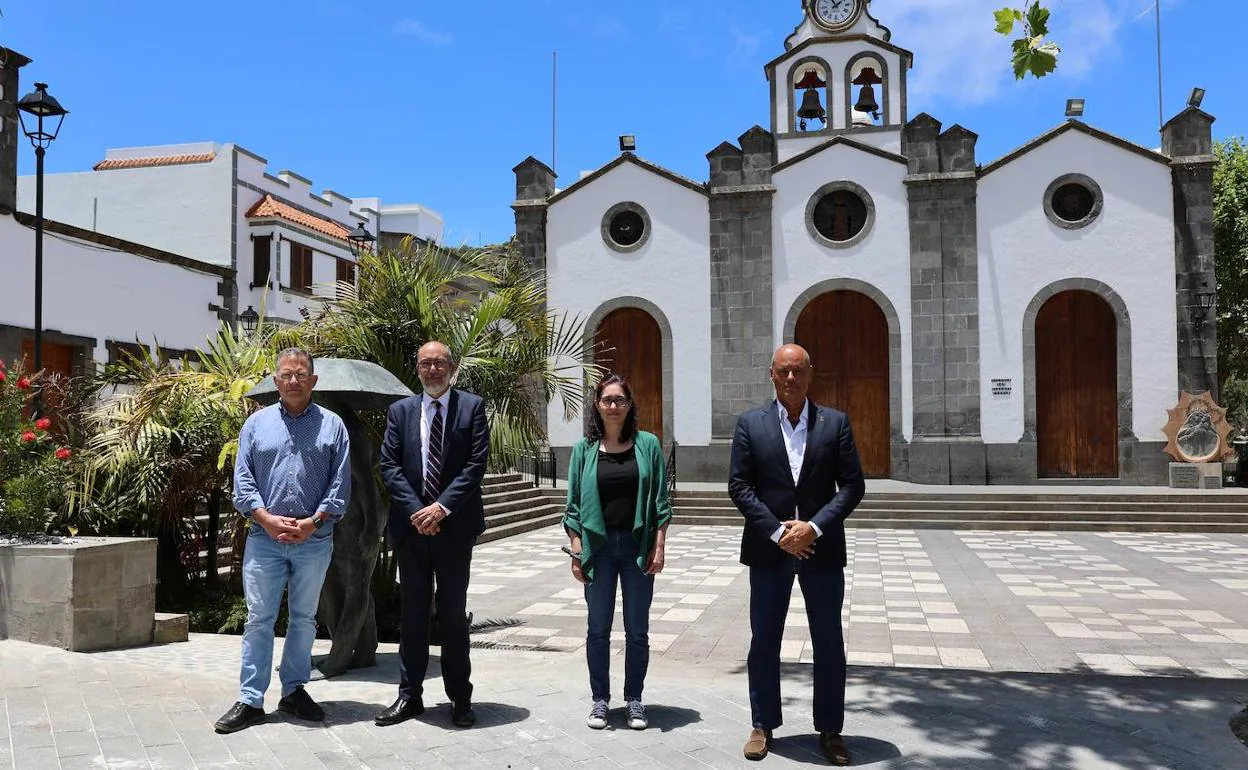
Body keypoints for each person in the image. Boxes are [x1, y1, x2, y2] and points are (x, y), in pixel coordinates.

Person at [729, 344, 865, 765]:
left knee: (828, 642)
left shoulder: (835, 424)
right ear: (771, 374)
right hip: (769, 552)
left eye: (798, 371)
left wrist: (814, 527)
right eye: (784, 372)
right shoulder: (751, 424)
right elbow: (739, 486)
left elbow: (853, 485)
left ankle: (830, 729)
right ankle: (762, 724)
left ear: (811, 374)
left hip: (821, 550)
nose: (791, 379)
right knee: (764, 640)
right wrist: (777, 532)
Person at [215, 348, 352, 734]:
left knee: (305, 618)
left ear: (313, 381)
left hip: (314, 539)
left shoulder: (333, 426)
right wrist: (265, 518)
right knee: (259, 619)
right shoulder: (256, 426)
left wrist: (313, 521)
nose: (293, 381)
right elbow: (242, 481)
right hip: (264, 538)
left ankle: (294, 691)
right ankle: (250, 699)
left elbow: (340, 484)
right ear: (275, 382)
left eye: (300, 374)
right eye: (286, 375)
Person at [375, 341, 489, 728]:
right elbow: (389, 465)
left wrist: (441, 507)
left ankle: (460, 698)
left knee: (453, 617)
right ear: (417, 368)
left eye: (440, 363)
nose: (433, 369)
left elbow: (475, 465)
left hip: (454, 530)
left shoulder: (471, 407)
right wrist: (418, 511)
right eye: (426, 363)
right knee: (413, 616)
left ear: (452, 367)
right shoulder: (400, 412)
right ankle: (410, 696)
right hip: (413, 531)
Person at [563, 373, 672, 731]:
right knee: (597, 629)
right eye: (607, 400)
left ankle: (634, 700)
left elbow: (660, 503)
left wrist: (659, 546)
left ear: (629, 405)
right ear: (597, 405)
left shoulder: (649, 446)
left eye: (619, 400)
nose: (613, 406)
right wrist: (578, 551)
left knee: (637, 630)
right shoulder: (584, 450)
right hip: (600, 548)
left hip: (637, 548)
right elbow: (574, 507)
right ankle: (600, 701)